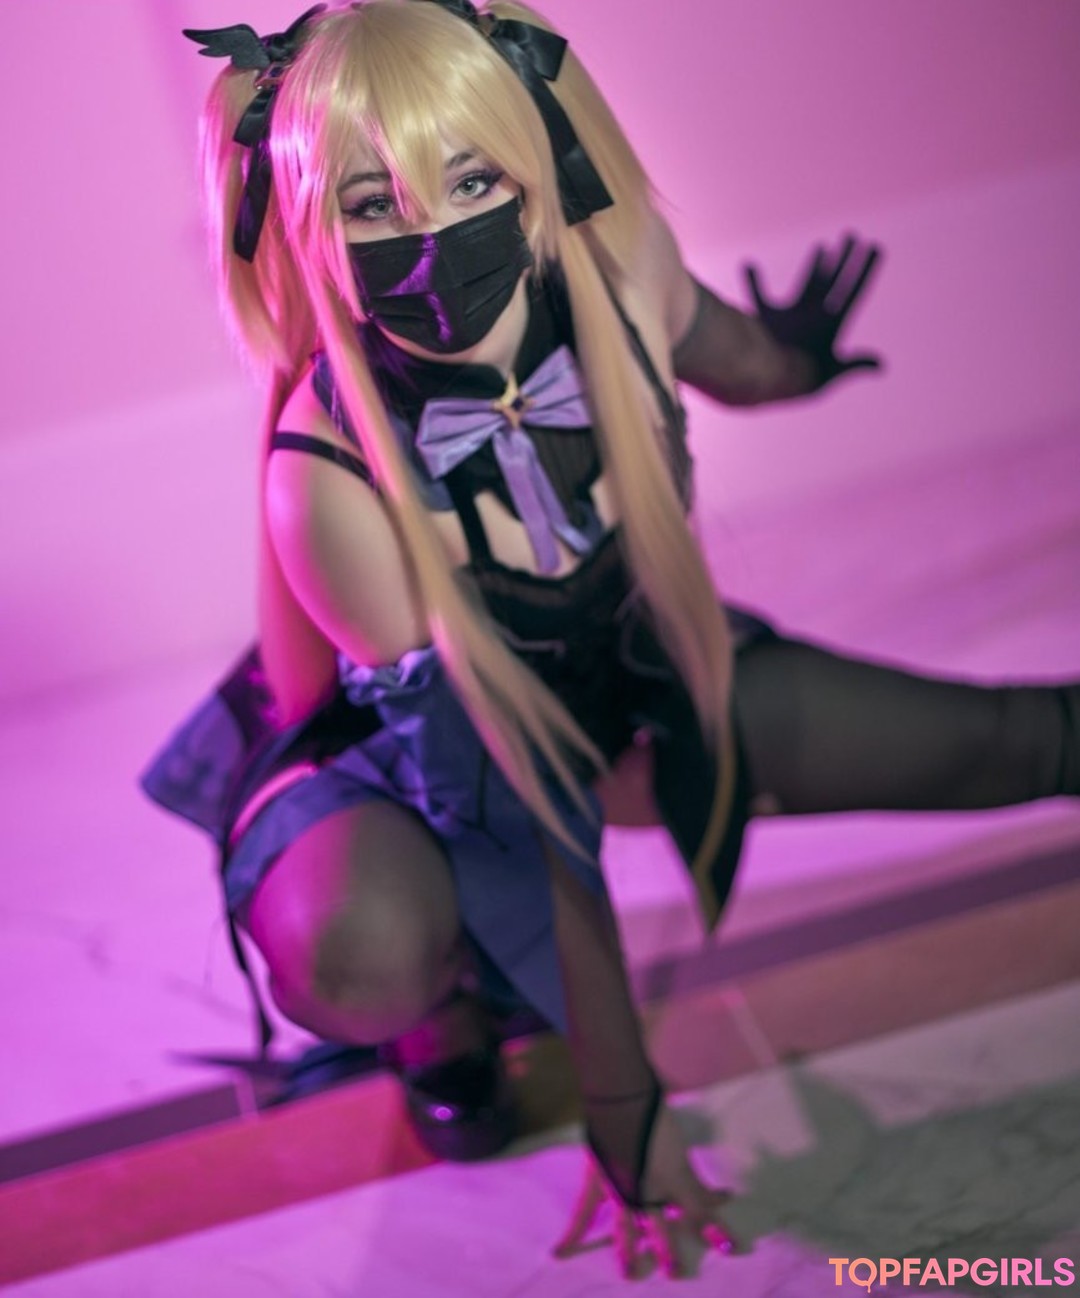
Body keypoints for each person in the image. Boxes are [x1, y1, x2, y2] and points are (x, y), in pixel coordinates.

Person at [142, 0, 1079, 1278]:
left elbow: (733, 355)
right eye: (370, 203)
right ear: (305, 222)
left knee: (1000, 741)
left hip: (618, 665)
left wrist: (795, 357)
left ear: (538, 155)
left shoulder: (620, 266)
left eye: (473, 178)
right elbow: (514, 814)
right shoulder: (325, 480)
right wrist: (626, 1110)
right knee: (362, 946)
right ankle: (442, 1019)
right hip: (409, 763)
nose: (434, 233)